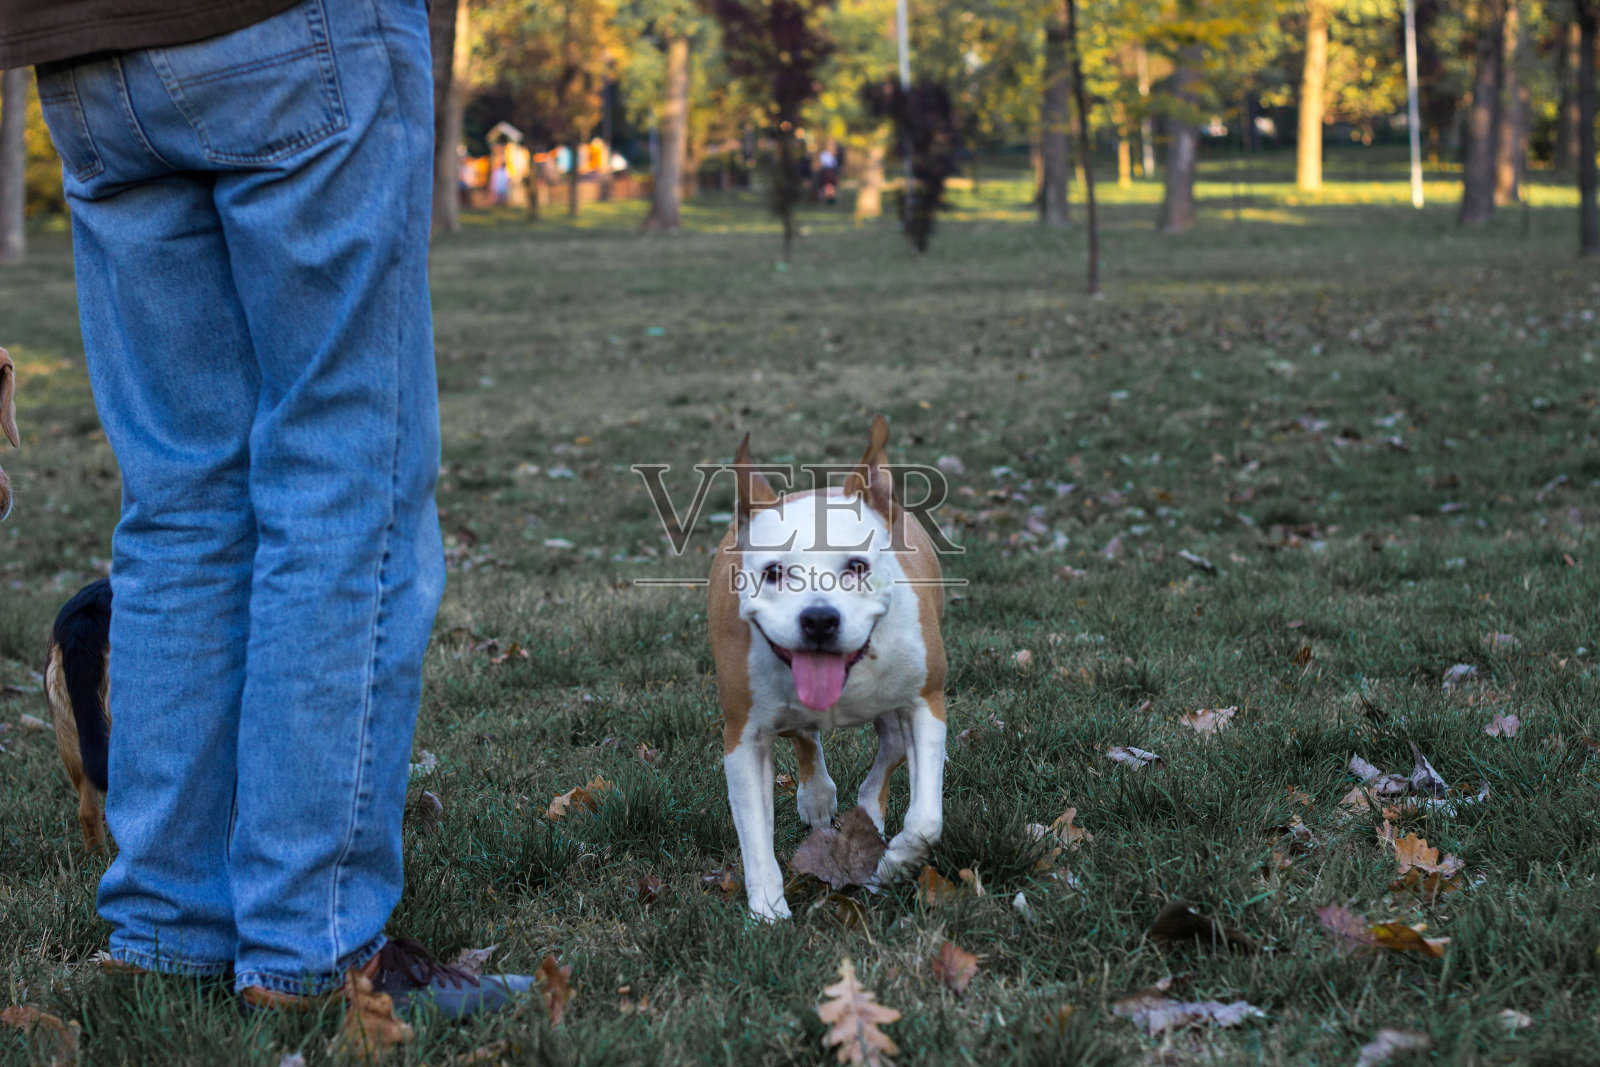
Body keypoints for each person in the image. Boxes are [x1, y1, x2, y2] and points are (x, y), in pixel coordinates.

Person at [0, 0, 534, 1017]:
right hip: (287, 30)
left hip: (84, 49)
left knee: (181, 499)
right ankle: (312, 942)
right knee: (344, 480)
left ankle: (166, 929)